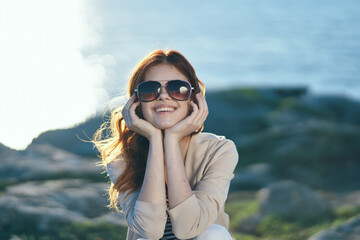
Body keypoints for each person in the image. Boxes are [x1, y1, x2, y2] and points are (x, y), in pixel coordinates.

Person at [93, 49, 238, 240]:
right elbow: (149, 231)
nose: (163, 96)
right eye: (150, 89)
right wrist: (155, 139)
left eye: (177, 88)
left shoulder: (219, 151)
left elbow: (189, 228)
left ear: (194, 98)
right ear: (136, 102)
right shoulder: (122, 158)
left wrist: (170, 139)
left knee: (214, 234)